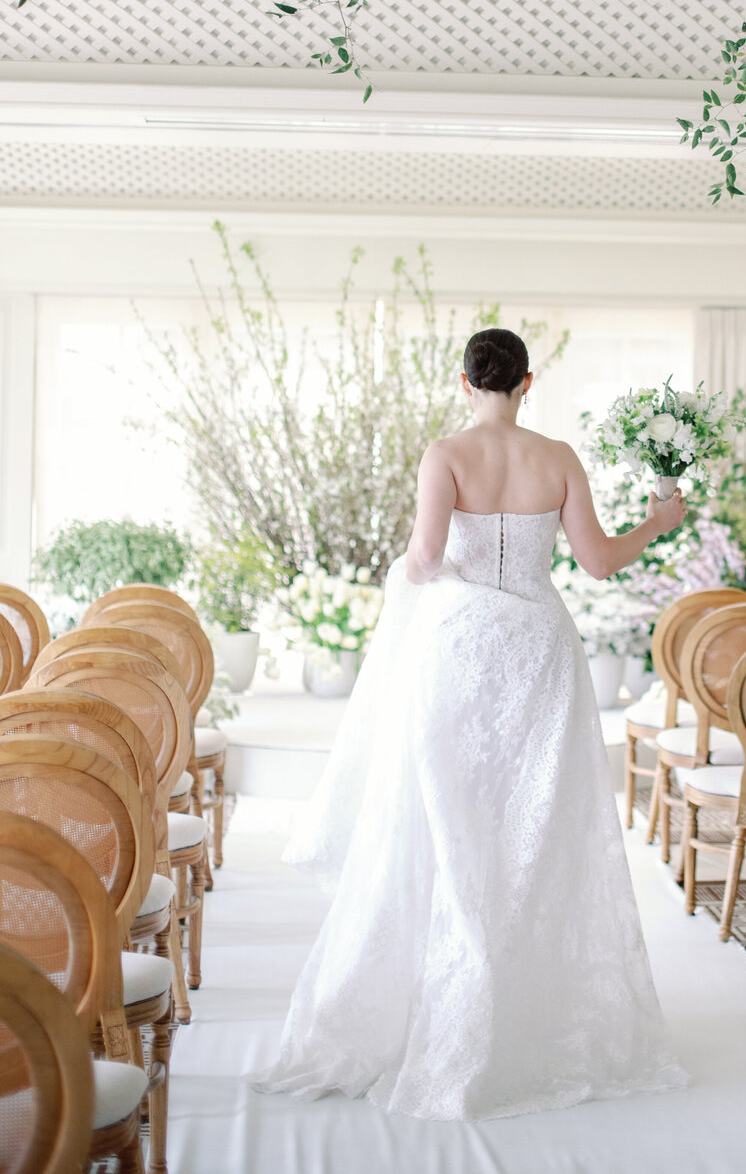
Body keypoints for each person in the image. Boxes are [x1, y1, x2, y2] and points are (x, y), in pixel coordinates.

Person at [254, 327, 689, 1120]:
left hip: (457, 649)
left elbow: (424, 558)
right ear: (528, 382)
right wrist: (660, 521)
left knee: (448, 826)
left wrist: (410, 575)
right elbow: (597, 562)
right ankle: (527, 1014)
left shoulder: (444, 455)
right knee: (531, 831)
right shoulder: (557, 457)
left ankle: (447, 1004)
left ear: (465, 382)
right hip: (540, 654)